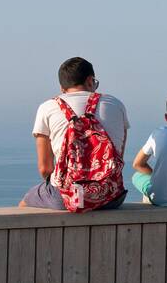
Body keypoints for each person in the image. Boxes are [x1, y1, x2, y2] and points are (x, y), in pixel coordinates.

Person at [20, 57, 129, 210]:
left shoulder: (47, 107)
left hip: (66, 197)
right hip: (111, 196)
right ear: (90, 81)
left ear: (62, 88)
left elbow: (45, 168)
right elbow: (118, 158)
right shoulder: (115, 104)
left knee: (26, 202)